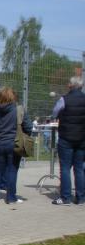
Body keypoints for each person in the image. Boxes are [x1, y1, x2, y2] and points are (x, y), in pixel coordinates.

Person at [0, 87, 32, 204]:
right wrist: (25, 135)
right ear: (13, 97)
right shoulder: (19, 110)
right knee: (12, 170)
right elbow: (28, 126)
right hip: (14, 143)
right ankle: (11, 198)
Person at [50, 76, 85, 206]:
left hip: (66, 138)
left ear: (71, 86)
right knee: (79, 168)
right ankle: (81, 197)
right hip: (82, 139)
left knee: (65, 168)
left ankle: (66, 197)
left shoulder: (64, 99)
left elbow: (54, 113)